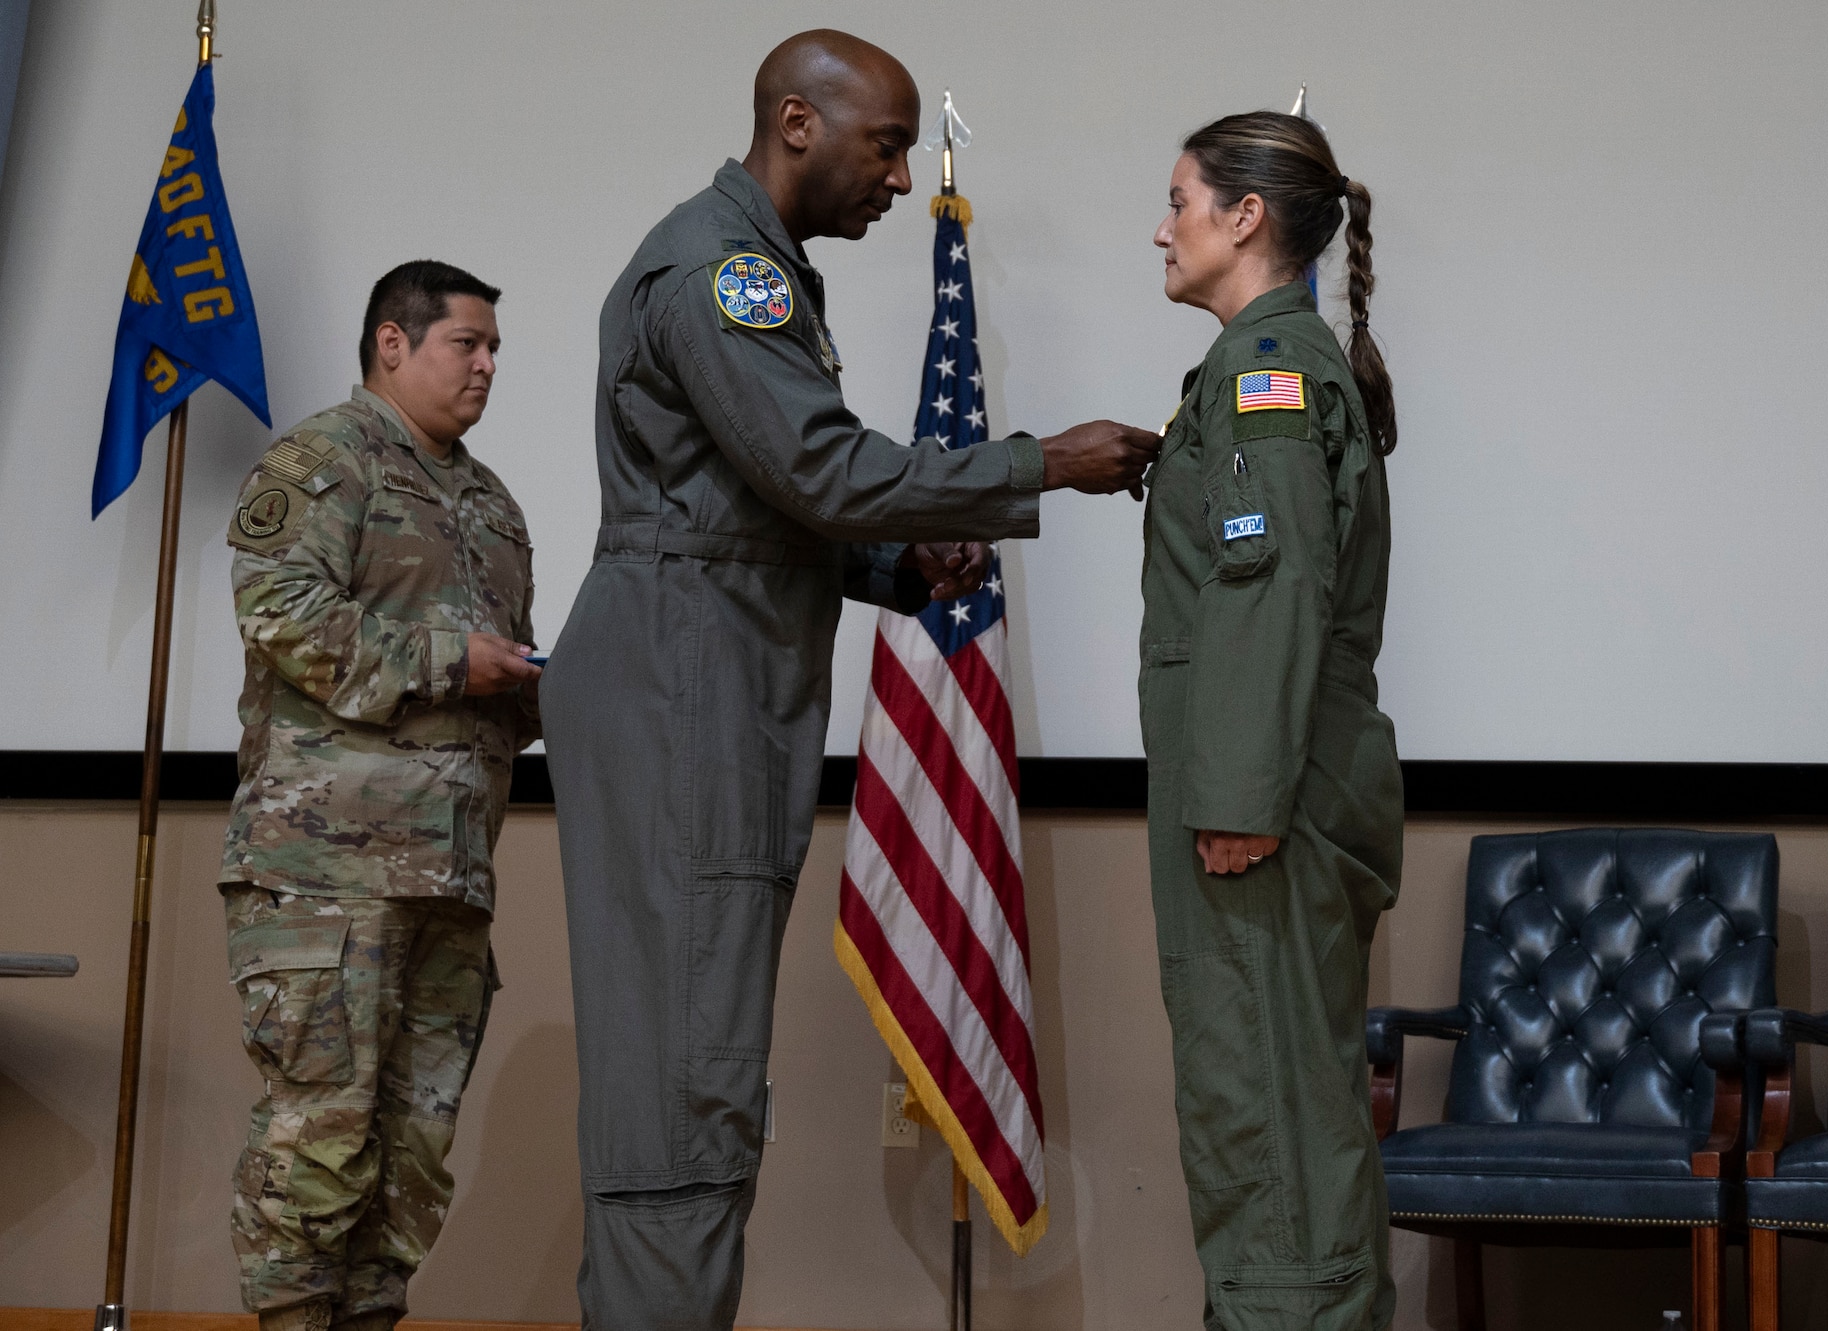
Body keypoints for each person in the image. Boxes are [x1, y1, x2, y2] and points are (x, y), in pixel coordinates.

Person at [538, 28, 1159, 1330]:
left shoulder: (762, 268)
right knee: (683, 1098)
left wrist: (889, 569)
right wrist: (1038, 461)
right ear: (797, 124)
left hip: (710, 694)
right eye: (882, 149)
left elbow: (745, 510)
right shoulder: (721, 274)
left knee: (695, 1081)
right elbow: (817, 468)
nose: (894, 179)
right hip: (685, 707)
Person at [218, 260, 541, 1331]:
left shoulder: (492, 505)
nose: (489, 364)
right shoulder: (324, 458)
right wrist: (458, 661)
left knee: (410, 1156)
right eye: (468, 343)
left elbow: (496, 690)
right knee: (322, 1140)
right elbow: (284, 614)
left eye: (495, 347)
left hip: (448, 876)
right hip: (326, 879)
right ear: (393, 344)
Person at [1139, 111, 1403, 1330]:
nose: (1163, 226)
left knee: (1269, 1121)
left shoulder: (1263, 373)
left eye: (1181, 200)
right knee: (1268, 1105)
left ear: (1245, 217)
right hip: (1269, 796)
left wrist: (1237, 800)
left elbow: (1270, 585)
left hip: (1262, 809)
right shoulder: (1262, 366)